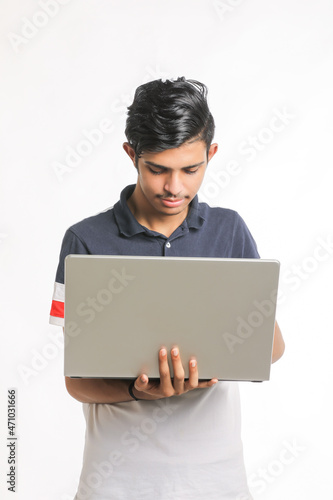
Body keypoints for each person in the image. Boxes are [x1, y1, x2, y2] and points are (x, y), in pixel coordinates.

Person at [49, 77, 285, 500]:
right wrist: (134, 389)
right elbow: (75, 380)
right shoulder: (84, 240)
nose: (174, 187)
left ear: (211, 155)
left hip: (216, 474)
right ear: (131, 155)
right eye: (157, 169)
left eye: (191, 170)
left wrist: (222, 351)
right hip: (117, 477)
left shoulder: (229, 231)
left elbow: (272, 346)